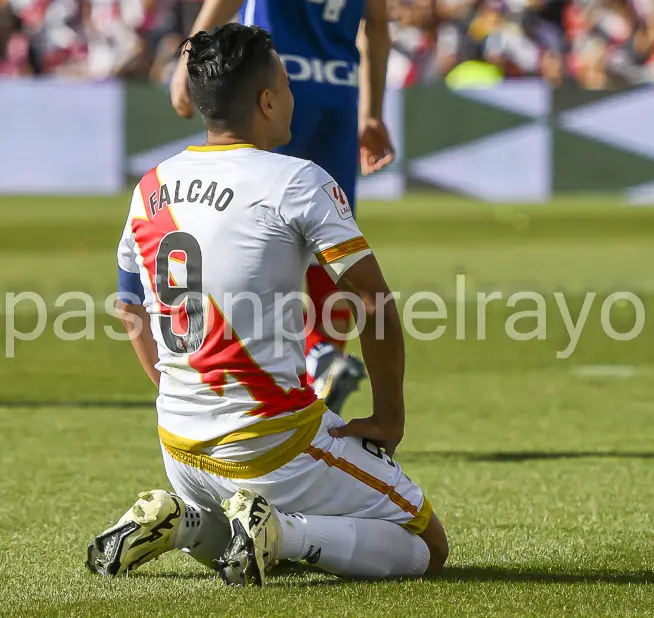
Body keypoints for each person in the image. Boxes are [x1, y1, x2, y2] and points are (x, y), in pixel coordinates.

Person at [87, 24, 448, 586]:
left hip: (177, 441)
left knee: (231, 538)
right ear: (268, 100)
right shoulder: (297, 180)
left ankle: (179, 522)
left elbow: (128, 304)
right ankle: (283, 529)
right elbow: (374, 304)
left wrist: (174, 391)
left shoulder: (150, 185)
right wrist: (390, 416)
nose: (293, 95)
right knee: (425, 548)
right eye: (286, 80)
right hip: (270, 443)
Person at [170, 0, 396, 415]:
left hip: (271, 86)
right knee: (328, 237)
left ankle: (265, 372)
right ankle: (323, 356)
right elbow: (377, 25)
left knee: (254, 226)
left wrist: (188, 60)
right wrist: (372, 113)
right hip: (338, 94)